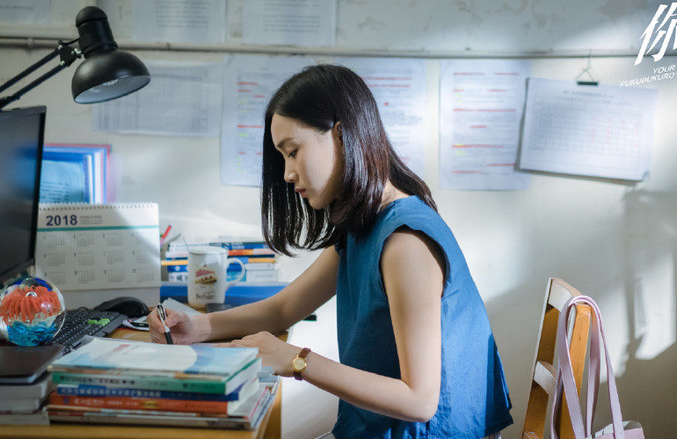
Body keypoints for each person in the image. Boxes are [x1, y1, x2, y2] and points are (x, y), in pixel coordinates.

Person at [148, 64, 513, 438]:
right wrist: (197, 327)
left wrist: (297, 361)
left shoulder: (405, 242)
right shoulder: (366, 224)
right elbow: (285, 308)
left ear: (340, 136)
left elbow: (419, 401)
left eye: (292, 152)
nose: (288, 173)